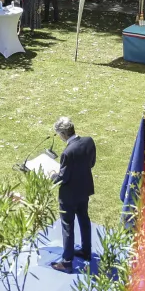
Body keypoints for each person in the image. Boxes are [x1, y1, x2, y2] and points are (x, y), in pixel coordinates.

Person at [49, 117, 96, 272]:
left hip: (69, 195)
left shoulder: (67, 153)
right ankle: (86, 251)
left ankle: (67, 262)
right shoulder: (89, 141)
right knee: (84, 219)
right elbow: (91, 163)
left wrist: (51, 175)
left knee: (67, 225)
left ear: (63, 134)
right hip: (84, 189)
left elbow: (62, 178)